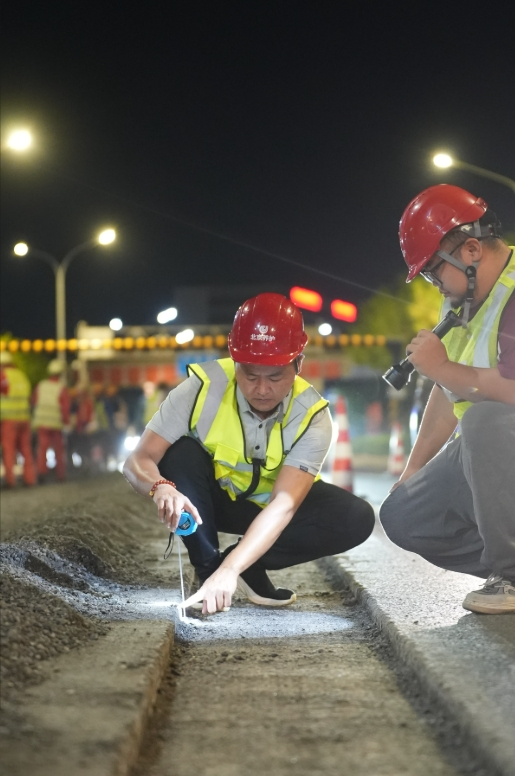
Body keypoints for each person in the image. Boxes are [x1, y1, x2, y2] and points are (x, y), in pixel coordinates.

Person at [123, 293, 375, 614]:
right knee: (180, 451)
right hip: (210, 503)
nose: (262, 389)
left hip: (269, 509)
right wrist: (161, 487)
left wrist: (232, 568)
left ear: (299, 364)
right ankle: (207, 568)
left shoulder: (313, 415)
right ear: (235, 362)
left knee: (356, 517)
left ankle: (241, 566)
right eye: (250, 375)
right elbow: (137, 460)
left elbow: (284, 505)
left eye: (275, 376)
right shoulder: (200, 388)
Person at [380, 184, 515, 615]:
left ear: (471, 250)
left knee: (484, 422)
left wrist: (440, 368)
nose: (434, 283)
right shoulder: (463, 302)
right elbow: (446, 388)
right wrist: (413, 469)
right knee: (404, 515)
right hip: (492, 449)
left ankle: (509, 576)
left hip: (500, 435)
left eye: (434, 270)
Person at [0, 350, 36, 488]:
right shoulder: (21, 376)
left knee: (9, 449)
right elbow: (29, 397)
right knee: (26, 449)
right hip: (24, 418)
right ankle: (30, 479)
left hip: (8, 419)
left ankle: (11, 480)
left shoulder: (2, 376)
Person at [32, 358, 71, 482]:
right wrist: (66, 422)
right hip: (56, 424)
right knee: (58, 449)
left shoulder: (41, 385)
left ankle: (42, 473)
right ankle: (60, 475)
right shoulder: (61, 388)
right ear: (60, 374)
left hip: (42, 423)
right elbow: (65, 408)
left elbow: (34, 401)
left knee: (42, 448)